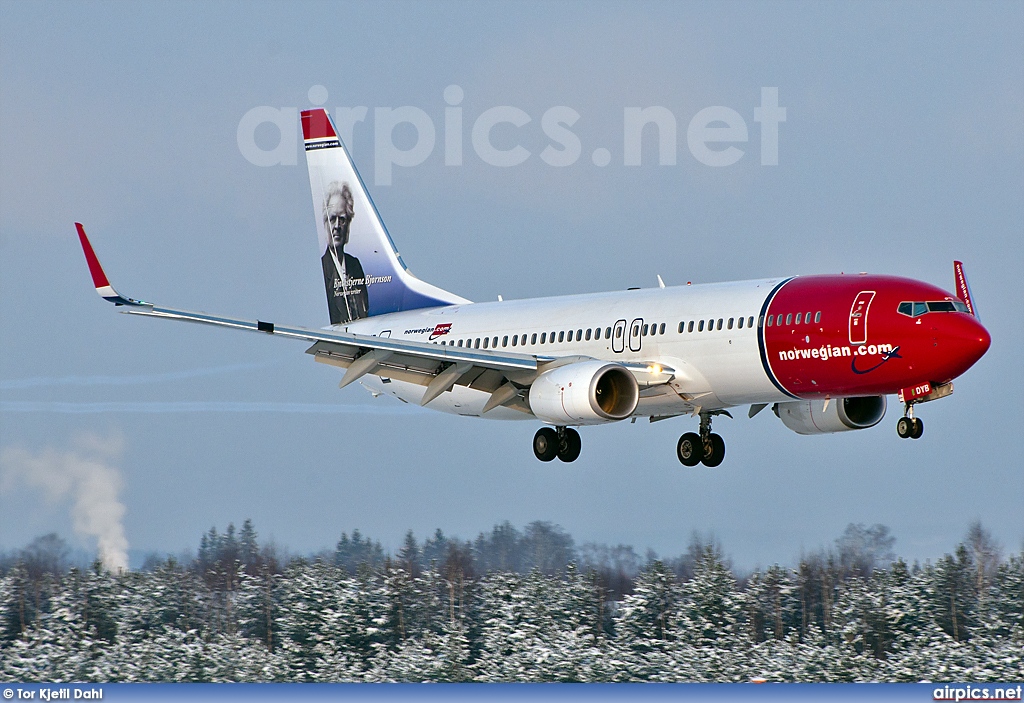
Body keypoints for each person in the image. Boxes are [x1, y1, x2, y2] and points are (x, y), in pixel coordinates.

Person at [321, 181, 369, 323]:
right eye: (332, 219)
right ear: (325, 223)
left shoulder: (354, 265)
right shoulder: (324, 268)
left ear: (348, 224)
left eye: (342, 219)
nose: (336, 226)